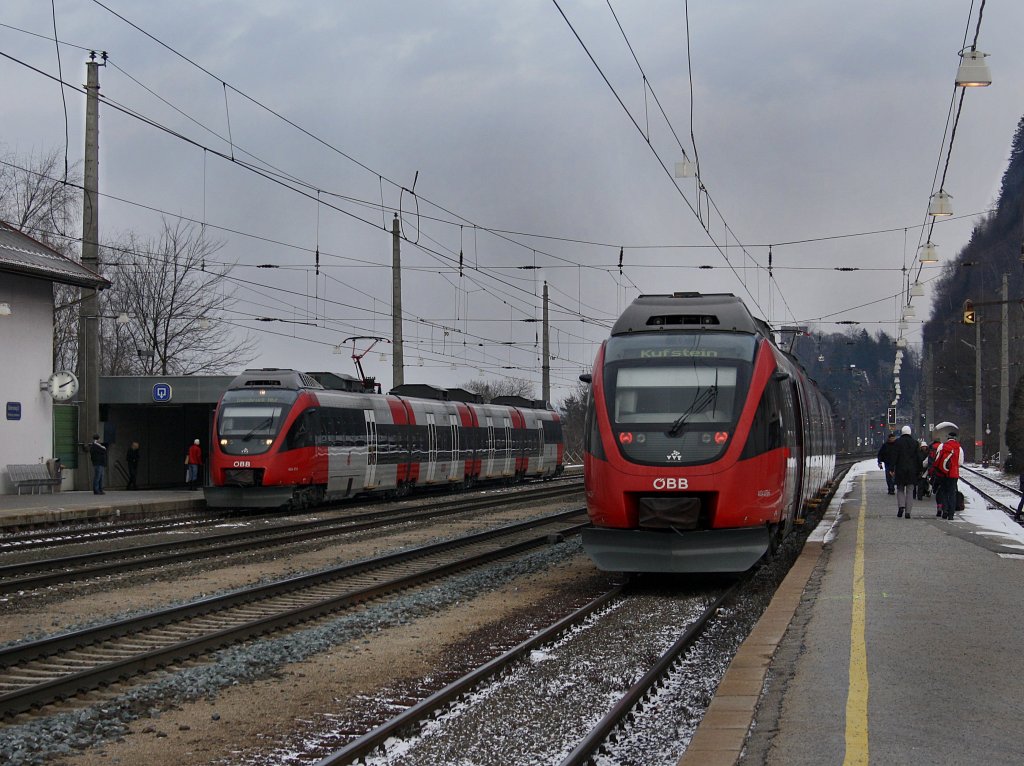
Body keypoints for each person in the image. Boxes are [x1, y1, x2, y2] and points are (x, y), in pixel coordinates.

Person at [933, 432, 964, 520]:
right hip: (954, 474)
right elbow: (960, 462)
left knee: (943, 492)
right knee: (952, 493)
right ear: (955, 438)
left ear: (947, 438)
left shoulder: (942, 446)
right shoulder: (959, 448)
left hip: (943, 473)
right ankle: (951, 514)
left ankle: (945, 510)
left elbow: (937, 459)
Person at [892, 425, 920, 518]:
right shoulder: (915, 443)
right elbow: (918, 458)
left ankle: (901, 506)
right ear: (910, 432)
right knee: (910, 491)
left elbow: (894, 456)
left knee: (900, 489)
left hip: (900, 469)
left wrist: (891, 468)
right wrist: (919, 470)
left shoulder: (897, 442)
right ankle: (908, 512)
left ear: (902, 432)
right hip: (911, 470)